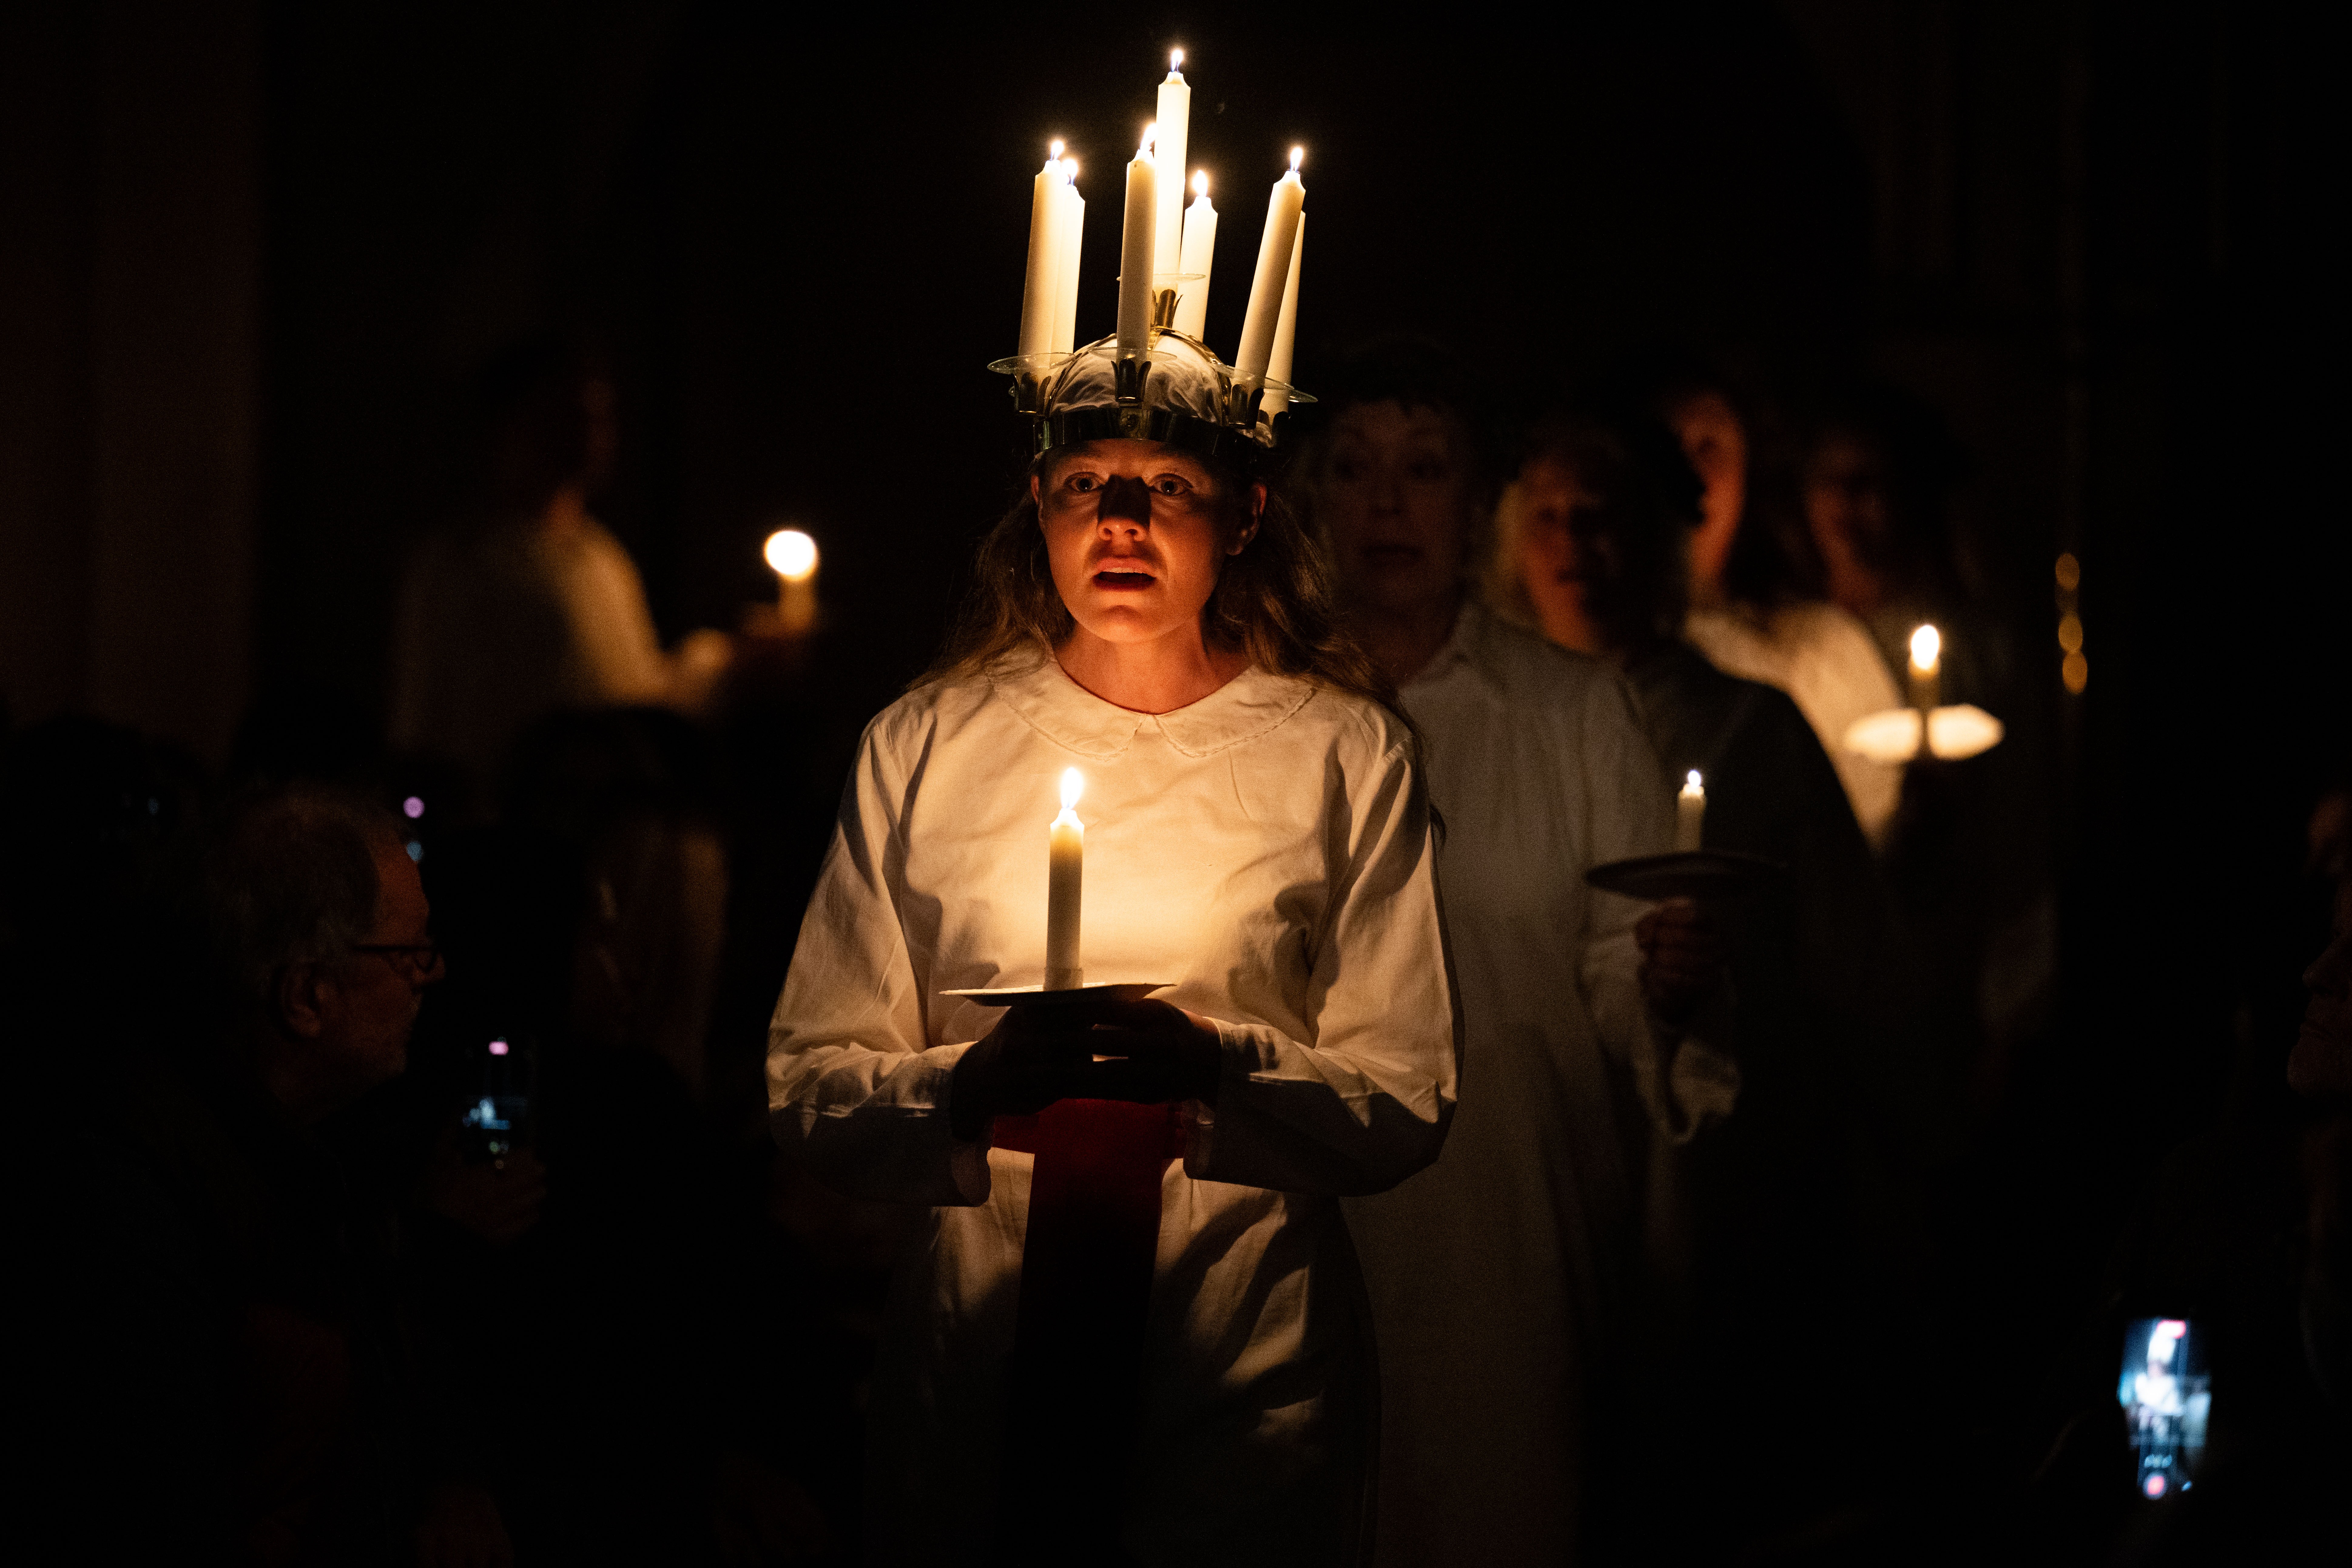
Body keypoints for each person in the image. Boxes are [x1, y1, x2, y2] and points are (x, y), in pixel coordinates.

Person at [766, 332, 1460, 1566]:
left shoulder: (1343, 753)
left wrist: (1214, 1062)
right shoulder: (929, 741)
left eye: (1171, 488)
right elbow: (811, 1078)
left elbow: (1405, 1091)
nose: (1125, 520)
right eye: (1090, 483)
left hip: (1242, 1331)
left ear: (1246, 514)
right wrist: (967, 1082)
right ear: (1038, 502)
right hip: (986, 1325)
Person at [1299, 345, 1737, 1566]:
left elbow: (1620, 952)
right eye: (1355, 468)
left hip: (1511, 1229)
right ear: (1303, 498)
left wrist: (1662, 982)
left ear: (1473, 500)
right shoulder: (1256, 715)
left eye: (1424, 468)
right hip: (1304, 1224)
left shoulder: (1572, 710)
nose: (1388, 503)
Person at [1492, 396, 1951, 1549]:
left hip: (1731, 1176)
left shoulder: (1749, 727)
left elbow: (1854, 961)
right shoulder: (1489, 725)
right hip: (1540, 1148)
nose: (1572, 545)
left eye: (1598, 517)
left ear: (1654, 538)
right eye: (1544, 517)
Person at [389, 336, 728, 806]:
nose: (589, 431)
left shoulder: (603, 557)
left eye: (599, 413)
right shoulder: (462, 564)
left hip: (609, 819)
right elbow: (430, 725)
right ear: (509, 425)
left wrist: (718, 667)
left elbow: (631, 696)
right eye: (565, 412)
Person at [1643, 363, 1908, 846]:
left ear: (1747, 470)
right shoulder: (1588, 657)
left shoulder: (1822, 650)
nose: (1688, 474)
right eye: (1666, 445)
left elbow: (1869, 827)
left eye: (1709, 448)